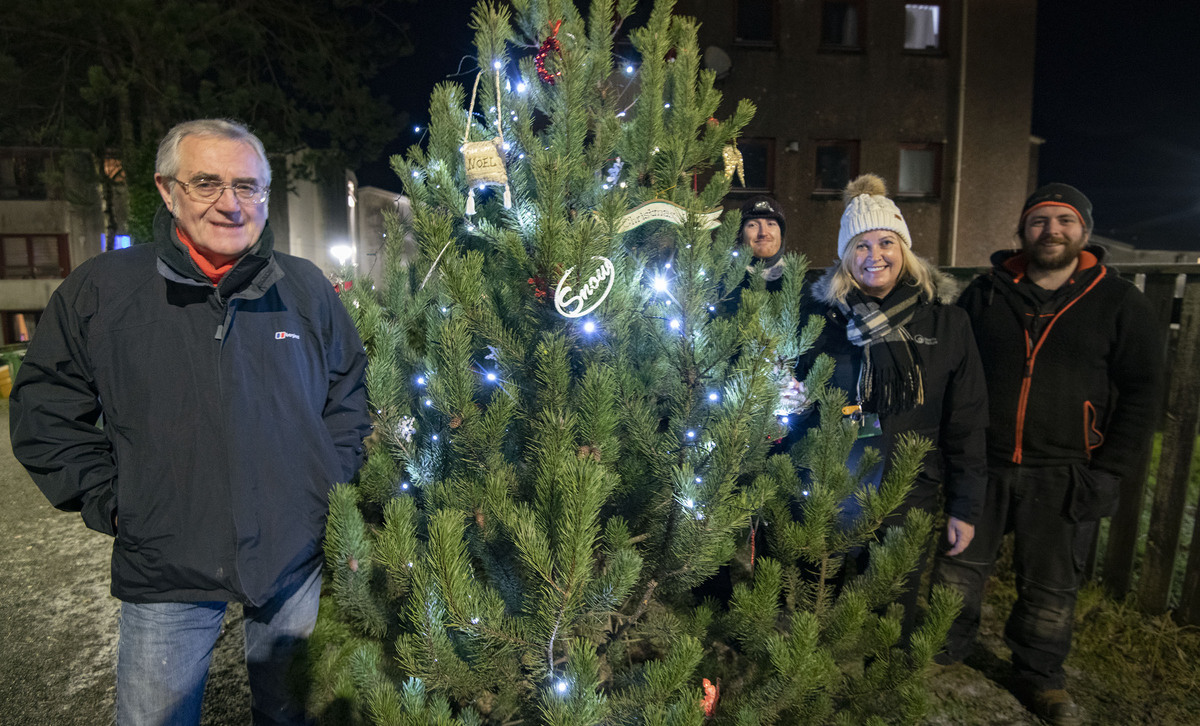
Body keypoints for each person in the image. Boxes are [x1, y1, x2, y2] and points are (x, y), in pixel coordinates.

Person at [9, 119, 371, 725]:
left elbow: (348, 393)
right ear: (168, 190)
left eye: (247, 186)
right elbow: (46, 407)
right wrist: (112, 499)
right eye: (207, 182)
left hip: (294, 555)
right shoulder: (104, 290)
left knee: (296, 715)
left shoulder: (305, 289)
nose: (230, 203)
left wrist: (326, 484)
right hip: (167, 562)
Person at [932, 183, 1164, 725]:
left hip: (1065, 469)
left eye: (1064, 220)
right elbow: (953, 372)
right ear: (1022, 230)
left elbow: (1143, 392)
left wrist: (1110, 471)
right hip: (983, 464)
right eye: (1039, 221)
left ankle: (1039, 675)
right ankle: (943, 648)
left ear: (1083, 229)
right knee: (959, 567)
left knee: (1052, 584)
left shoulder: (1118, 302)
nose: (1051, 231)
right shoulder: (986, 294)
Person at [794, 173, 988, 638]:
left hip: (908, 488)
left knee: (890, 610)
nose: (874, 256)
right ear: (845, 256)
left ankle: (877, 694)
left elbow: (967, 420)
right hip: (829, 486)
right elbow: (792, 392)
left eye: (886, 242)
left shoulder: (948, 322)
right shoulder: (820, 320)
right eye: (860, 245)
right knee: (815, 605)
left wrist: (965, 506)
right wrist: (787, 397)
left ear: (905, 250)